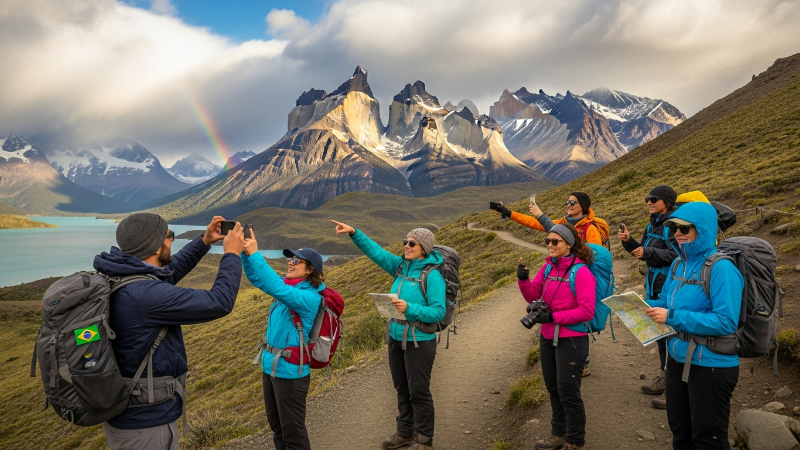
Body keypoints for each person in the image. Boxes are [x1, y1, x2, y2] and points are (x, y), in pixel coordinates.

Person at [93, 213, 244, 450]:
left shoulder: (121, 274)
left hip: (131, 415)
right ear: (155, 246)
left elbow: (167, 274)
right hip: (145, 424)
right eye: (169, 236)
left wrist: (204, 241)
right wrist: (232, 255)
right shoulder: (146, 295)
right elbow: (219, 302)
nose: (171, 241)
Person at [332, 220, 445, 450]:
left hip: (420, 342)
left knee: (418, 392)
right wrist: (355, 232)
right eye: (405, 241)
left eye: (411, 243)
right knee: (402, 388)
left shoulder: (432, 276)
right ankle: (404, 433)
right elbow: (377, 253)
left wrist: (411, 309)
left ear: (424, 247)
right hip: (395, 338)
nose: (406, 245)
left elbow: (439, 312)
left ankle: (424, 440)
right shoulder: (400, 267)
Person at [645, 202, 743, 449]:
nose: (678, 233)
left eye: (685, 228)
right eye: (674, 227)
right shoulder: (679, 264)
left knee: (708, 437)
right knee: (680, 430)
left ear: (703, 229)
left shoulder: (721, 268)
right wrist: (639, 305)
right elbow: (667, 300)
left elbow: (726, 321)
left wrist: (671, 316)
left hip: (712, 365)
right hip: (678, 358)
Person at [491, 192, 607, 376]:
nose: (568, 204)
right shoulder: (562, 225)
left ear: (583, 205)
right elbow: (535, 223)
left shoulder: (590, 228)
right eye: (567, 201)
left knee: (577, 317)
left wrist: (574, 262)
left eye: (572, 202)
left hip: (577, 275)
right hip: (561, 271)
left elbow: (594, 255)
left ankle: (582, 361)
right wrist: (508, 212)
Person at [242, 230, 326, 450]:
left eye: (297, 260)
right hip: (270, 367)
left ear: (310, 271)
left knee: (293, 434)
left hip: (290, 373)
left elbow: (276, 288)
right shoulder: (287, 286)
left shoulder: (309, 297)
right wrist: (245, 254)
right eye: (290, 258)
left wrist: (256, 254)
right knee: (277, 428)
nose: (291, 262)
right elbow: (256, 278)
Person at [517, 224, 595, 450]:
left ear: (568, 244)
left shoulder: (581, 272)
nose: (550, 245)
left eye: (555, 242)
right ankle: (558, 433)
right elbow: (533, 294)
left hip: (572, 339)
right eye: (547, 241)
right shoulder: (548, 268)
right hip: (548, 336)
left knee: (568, 391)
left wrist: (552, 317)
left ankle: (574, 440)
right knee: (553, 388)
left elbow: (586, 311)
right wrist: (523, 279)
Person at [618, 185, 679, 409]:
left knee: (671, 332)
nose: (649, 202)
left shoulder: (674, 225)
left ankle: (673, 386)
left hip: (669, 284)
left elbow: (677, 255)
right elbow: (643, 250)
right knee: (659, 332)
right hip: (654, 282)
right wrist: (629, 242)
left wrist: (648, 252)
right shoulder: (652, 222)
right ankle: (664, 377)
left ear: (667, 201)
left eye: (654, 199)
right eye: (647, 198)